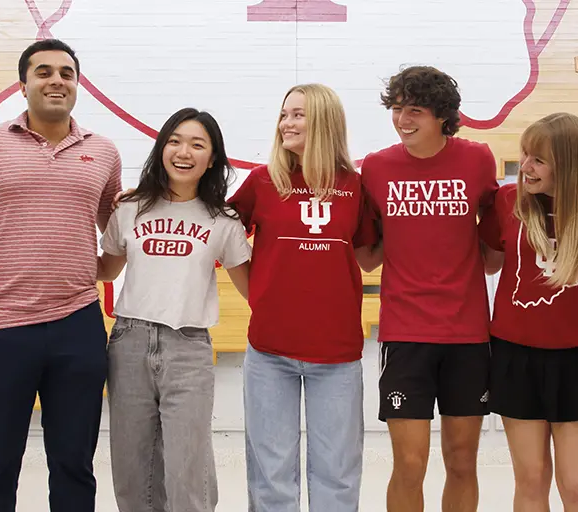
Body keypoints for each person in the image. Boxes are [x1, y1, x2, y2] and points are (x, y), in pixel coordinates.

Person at [0, 39, 123, 511]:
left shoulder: (103, 151)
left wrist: (107, 267)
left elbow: (117, 229)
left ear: (77, 84)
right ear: (23, 83)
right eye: (44, 71)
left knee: (73, 463)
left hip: (78, 324)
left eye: (66, 73)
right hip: (1, 325)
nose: (57, 80)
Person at [227, 83, 378, 512]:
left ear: (325, 122)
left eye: (298, 114)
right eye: (283, 114)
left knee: (337, 474)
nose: (285, 123)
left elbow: (368, 255)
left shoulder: (353, 185)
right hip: (269, 353)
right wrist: (256, 290)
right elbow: (219, 232)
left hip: (337, 354)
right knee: (271, 475)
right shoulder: (262, 181)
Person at [359, 65, 499, 512]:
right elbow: (369, 254)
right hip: (405, 333)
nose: (403, 119)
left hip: (467, 335)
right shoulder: (377, 168)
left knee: (462, 460)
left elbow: (493, 244)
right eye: (397, 109)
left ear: (442, 115)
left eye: (414, 110)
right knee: (410, 463)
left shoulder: (477, 160)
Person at [97, 107, 251, 512]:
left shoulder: (223, 219)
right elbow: (106, 269)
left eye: (198, 144)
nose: (184, 152)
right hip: (129, 342)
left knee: (188, 466)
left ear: (212, 157)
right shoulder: (130, 209)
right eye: (175, 141)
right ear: (161, 147)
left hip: (188, 346)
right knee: (132, 468)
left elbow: (255, 289)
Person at [478, 112, 578, 512]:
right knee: (532, 478)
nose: (525, 167)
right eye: (524, 155)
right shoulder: (506, 202)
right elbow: (486, 261)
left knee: (575, 484)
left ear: (568, 164)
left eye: (537, 159)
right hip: (514, 354)